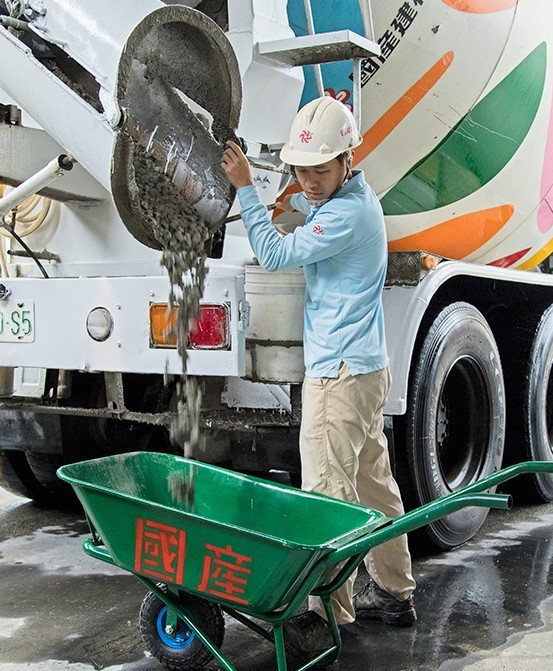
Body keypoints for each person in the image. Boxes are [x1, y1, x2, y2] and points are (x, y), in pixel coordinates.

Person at [220, 96, 416, 656]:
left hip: (338, 376)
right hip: (365, 369)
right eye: (300, 168)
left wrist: (246, 188)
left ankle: (326, 616)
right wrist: (299, 202)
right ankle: (395, 591)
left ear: (348, 160)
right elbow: (314, 218)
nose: (308, 180)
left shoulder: (344, 215)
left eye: (320, 169)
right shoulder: (356, 200)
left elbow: (273, 255)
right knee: (374, 485)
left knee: (326, 495)